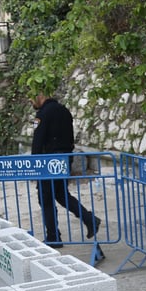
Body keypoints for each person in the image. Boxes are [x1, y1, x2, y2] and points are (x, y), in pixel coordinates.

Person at [31, 93, 101, 247]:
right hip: (64, 160)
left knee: (46, 197)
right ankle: (89, 219)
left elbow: (37, 141)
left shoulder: (42, 114)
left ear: (41, 95)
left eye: (33, 97)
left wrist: (34, 165)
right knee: (61, 194)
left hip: (47, 162)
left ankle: (53, 237)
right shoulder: (64, 111)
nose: (31, 101)